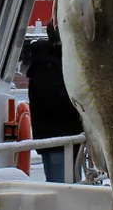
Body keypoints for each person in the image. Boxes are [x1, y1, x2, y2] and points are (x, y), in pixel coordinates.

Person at [26, 23, 84, 183]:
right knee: (62, 186)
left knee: (68, 184)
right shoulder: (47, 66)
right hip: (58, 138)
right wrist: (82, 107)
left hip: (65, 138)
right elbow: (57, 102)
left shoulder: (50, 63)